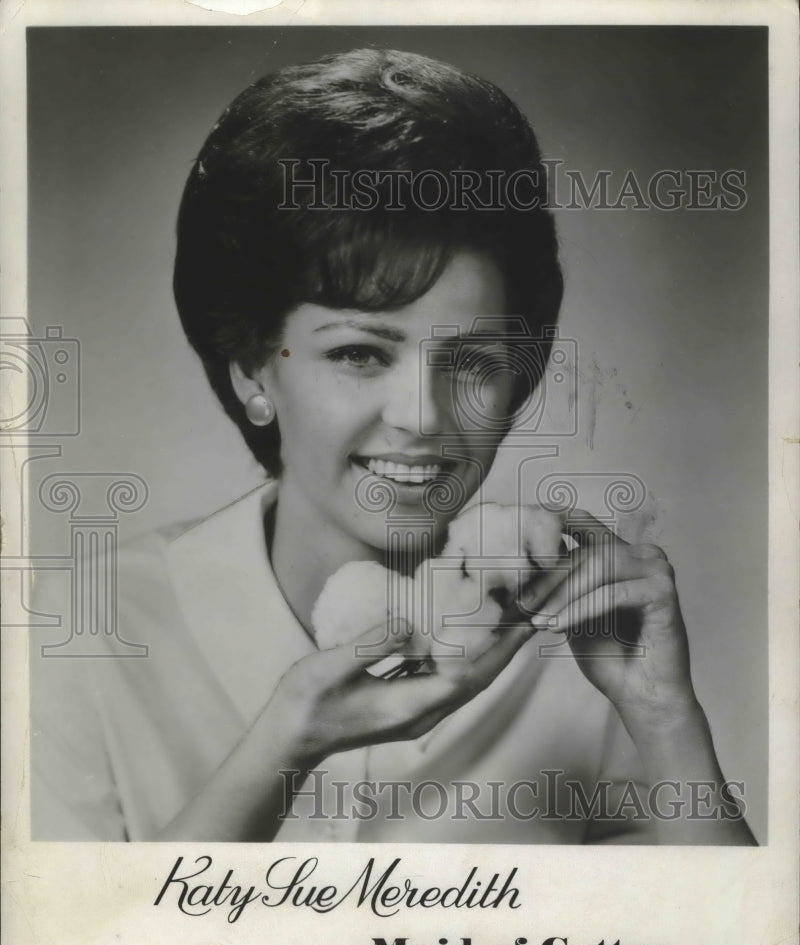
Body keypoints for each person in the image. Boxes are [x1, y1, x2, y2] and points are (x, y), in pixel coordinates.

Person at [30, 48, 755, 845]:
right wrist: (283, 746)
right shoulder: (83, 631)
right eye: (359, 353)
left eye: (473, 361)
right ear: (249, 368)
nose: (422, 415)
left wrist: (661, 713)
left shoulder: (581, 643)